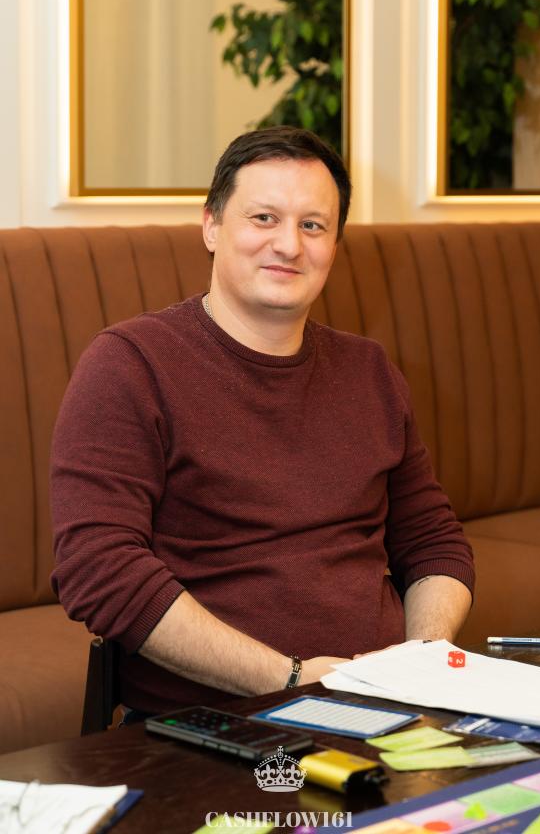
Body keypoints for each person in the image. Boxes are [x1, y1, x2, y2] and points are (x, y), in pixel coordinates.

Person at [51, 126, 474, 718]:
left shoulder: (370, 371)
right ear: (211, 226)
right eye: (264, 218)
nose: (289, 245)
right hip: (215, 724)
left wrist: (422, 659)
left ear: (335, 244)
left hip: (383, 708)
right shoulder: (130, 365)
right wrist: (292, 679)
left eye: (313, 225)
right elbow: (98, 569)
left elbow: (432, 543)